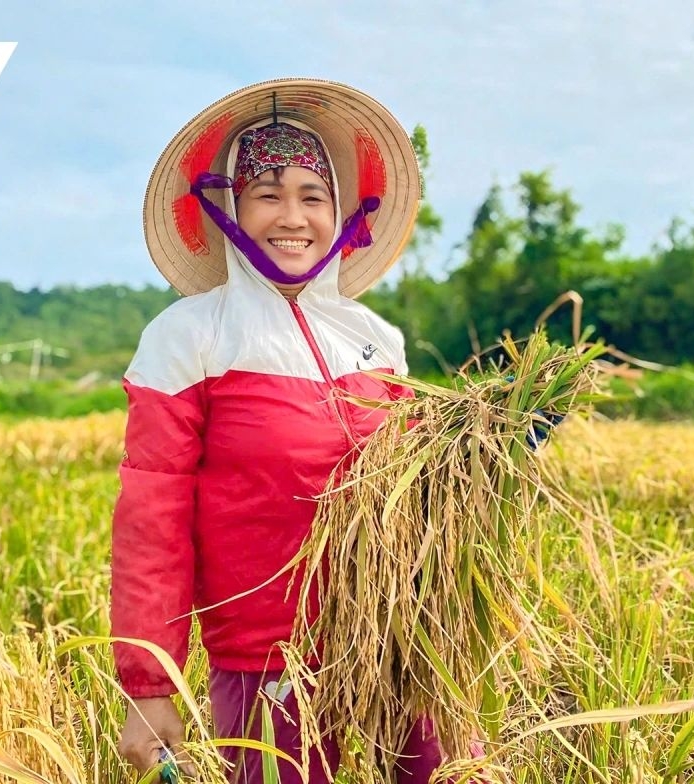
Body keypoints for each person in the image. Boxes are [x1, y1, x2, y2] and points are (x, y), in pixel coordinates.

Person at [111, 79, 467, 784]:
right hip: (267, 658)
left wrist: (490, 451)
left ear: (341, 212)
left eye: (313, 194)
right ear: (229, 208)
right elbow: (152, 519)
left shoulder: (375, 339)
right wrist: (151, 685)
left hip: (397, 637)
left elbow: (411, 490)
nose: (292, 215)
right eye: (268, 193)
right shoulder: (189, 336)